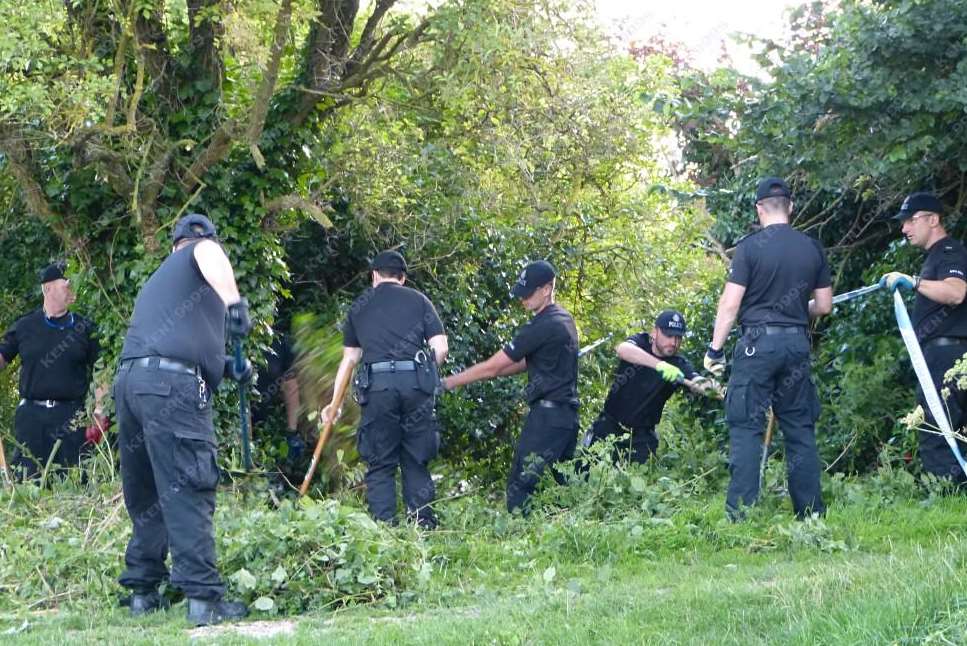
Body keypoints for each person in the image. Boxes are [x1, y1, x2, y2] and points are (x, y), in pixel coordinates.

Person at [113, 213, 252, 625]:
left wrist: (228, 366)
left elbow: (182, 342)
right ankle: (203, 599)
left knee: (149, 491)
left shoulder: (161, 280)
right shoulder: (202, 251)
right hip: (171, 387)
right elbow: (208, 252)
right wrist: (234, 305)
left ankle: (143, 591)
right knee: (190, 483)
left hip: (133, 382)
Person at [704, 177, 833, 521]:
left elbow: (730, 305)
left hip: (757, 345)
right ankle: (810, 515)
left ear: (759, 208)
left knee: (746, 426)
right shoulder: (812, 248)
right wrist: (791, 316)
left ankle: (740, 515)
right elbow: (823, 306)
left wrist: (714, 350)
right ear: (790, 207)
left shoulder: (749, 248)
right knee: (799, 427)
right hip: (796, 343)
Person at [322, 250, 448, 528]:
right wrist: (421, 373)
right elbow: (441, 349)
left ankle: (384, 531)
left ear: (374, 275)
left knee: (380, 463)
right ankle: (423, 528)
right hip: (416, 386)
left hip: (378, 388)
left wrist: (335, 403)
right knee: (416, 459)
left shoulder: (359, 306)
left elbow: (349, 361)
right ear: (402, 278)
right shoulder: (420, 301)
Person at [443, 260, 579, 514]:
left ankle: (520, 542)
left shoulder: (542, 325)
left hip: (547, 418)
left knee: (521, 485)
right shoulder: (564, 319)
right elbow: (525, 363)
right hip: (567, 418)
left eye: (528, 293)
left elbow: (492, 366)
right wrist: (493, 373)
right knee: (562, 486)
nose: (523, 300)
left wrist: (448, 382)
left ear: (546, 289)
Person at [880, 191, 967, 487]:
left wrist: (914, 282)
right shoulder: (935, 257)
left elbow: (956, 292)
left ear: (933, 219)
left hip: (947, 357)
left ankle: (945, 498)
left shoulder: (949, 252)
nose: (904, 229)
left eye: (910, 221)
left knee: (936, 427)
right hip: (943, 357)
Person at [0, 261, 107, 479]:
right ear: (48, 288)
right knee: (29, 482)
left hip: (72, 420)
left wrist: (99, 411)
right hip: (31, 420)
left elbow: (102, 371)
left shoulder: (85, 328)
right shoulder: (24, 326)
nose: (72, 287)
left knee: (74, 484)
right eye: (66, 283)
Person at [584, 310, 712, 464]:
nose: (673, 342)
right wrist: (659, 365)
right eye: (668, 335)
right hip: (608, 427)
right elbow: (623, 349)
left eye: (678, 337)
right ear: (655, 332)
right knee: (583, 475)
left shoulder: (679, 364)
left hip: (641, 439)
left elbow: (701, 382)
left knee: (637, 483)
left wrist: (711, 387)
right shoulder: (640, 342)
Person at [252, 332, 304, 465]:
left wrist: (292, 431)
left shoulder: (279, 342)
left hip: (270, 428)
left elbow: (290, 387)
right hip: (242, 428)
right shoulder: (235, 341)